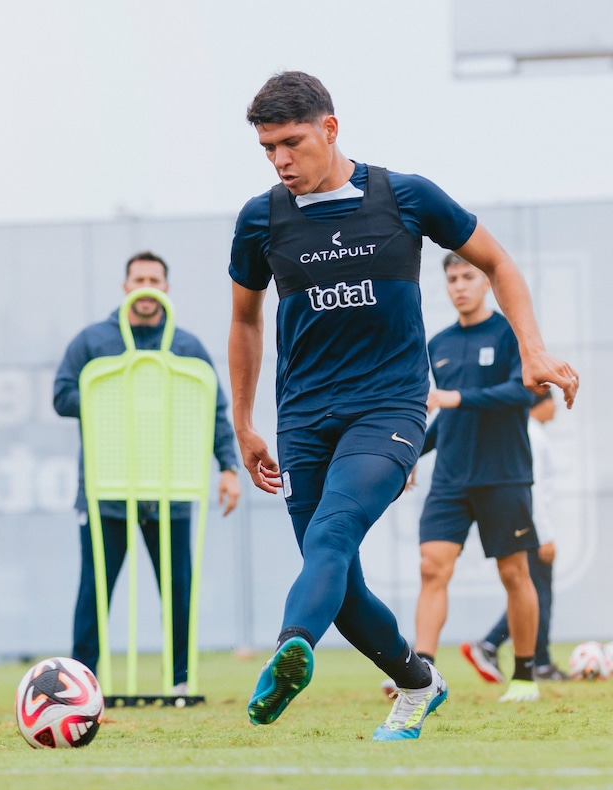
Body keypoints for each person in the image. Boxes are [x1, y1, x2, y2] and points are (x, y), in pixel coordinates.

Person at [227, 71, 578, 739]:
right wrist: (243, 423)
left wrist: (531, 348)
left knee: (331, 534)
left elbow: (499, 262)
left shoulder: (404, 197)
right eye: (268, 148)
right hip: (302, 416)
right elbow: (244, 321)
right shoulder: (260, 218)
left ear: (330, 129)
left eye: (291, 143)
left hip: (388, 408)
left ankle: (288, 645)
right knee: (335, 574)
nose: (280, 160)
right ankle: (419, 681)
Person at [54, 251, 240, 694]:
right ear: (125, 287)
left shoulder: (186, 346)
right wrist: (119, 394)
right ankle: (83, 685)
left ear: (166, 288)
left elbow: (214, 408)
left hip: (171, 486)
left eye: (155, 280)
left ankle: (178, 681)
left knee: (178, 590)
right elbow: (61, 396)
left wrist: (229, 466)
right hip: (106, 487)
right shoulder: (93, 341)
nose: (146, 287)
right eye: (138, 279)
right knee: (94, 591)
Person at [414, 252, 545, 702]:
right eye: (452, 278)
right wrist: (411, 452)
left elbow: (521, 392)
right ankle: (420, 675)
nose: (459, 286)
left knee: (514, 573)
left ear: (486, 281)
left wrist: (456, 397)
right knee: (431, 567)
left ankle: (526, 676)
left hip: (503, 476)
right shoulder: (440, 344)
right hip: (451, 480)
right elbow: (441, 416)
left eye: (468, 276)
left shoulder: (510, 333)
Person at [461, 389, 570, 682]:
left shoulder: (529, 432)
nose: (556, 408)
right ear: (539, 404)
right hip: (531, 527)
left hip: (527, 523)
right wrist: (544, 534)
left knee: (528, 592)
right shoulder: (532, 435)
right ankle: (540, 663)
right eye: (552, 402)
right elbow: (532, 489)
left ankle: (491, 645)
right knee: (538, 595)